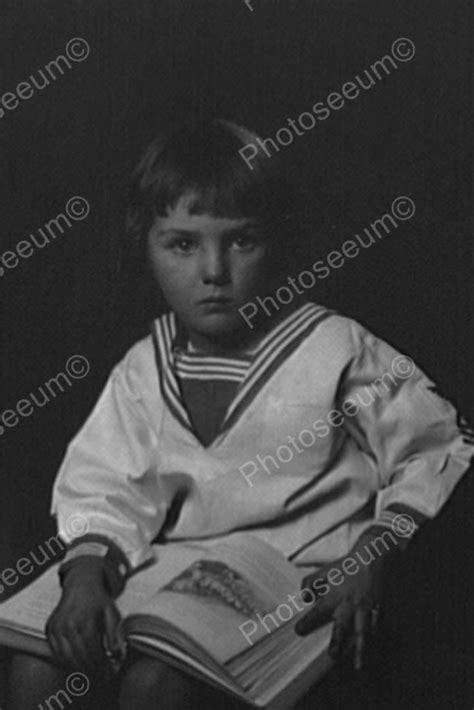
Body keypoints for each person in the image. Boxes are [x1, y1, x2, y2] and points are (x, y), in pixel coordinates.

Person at [5, 119, 474, 710]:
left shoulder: (333, 346)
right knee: (33, 671)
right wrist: (85, 575)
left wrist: (374, 552)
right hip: (176, 580)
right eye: (182, 244)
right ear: (143, 247)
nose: (214, 272)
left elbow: (437, 446)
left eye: (241, 241)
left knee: (156, 689)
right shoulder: (144, 366)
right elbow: (105, 486)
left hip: (305, 586)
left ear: (276, 243)